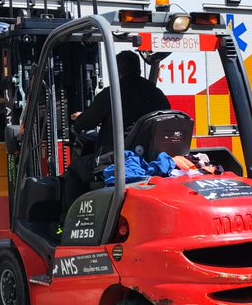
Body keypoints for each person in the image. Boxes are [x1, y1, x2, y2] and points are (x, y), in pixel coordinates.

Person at [61, 50, 171, 222]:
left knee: (75, 170)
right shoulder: (157, 93)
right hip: (147, 160)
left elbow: (84, 124)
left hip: (115, 160)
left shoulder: (112, 93)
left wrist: (80, 118)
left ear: (117, 70)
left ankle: (70, 223)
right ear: (138, 69)